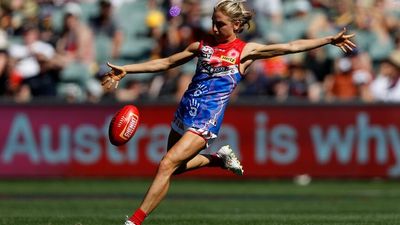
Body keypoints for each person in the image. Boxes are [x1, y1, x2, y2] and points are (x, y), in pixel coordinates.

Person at [101, 1, 356, 224]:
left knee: (166, 164)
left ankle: (134, 221)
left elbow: (290, 46)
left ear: (236, 24)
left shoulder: (245, 52)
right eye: (213, 22)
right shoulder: (201, 46)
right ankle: (217, 159)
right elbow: (166, 63)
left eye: (220, 24)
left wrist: (328, 39)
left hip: (206, 121)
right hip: (185, 111)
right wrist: (128, 69)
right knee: (175, 168)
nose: (214, 28)